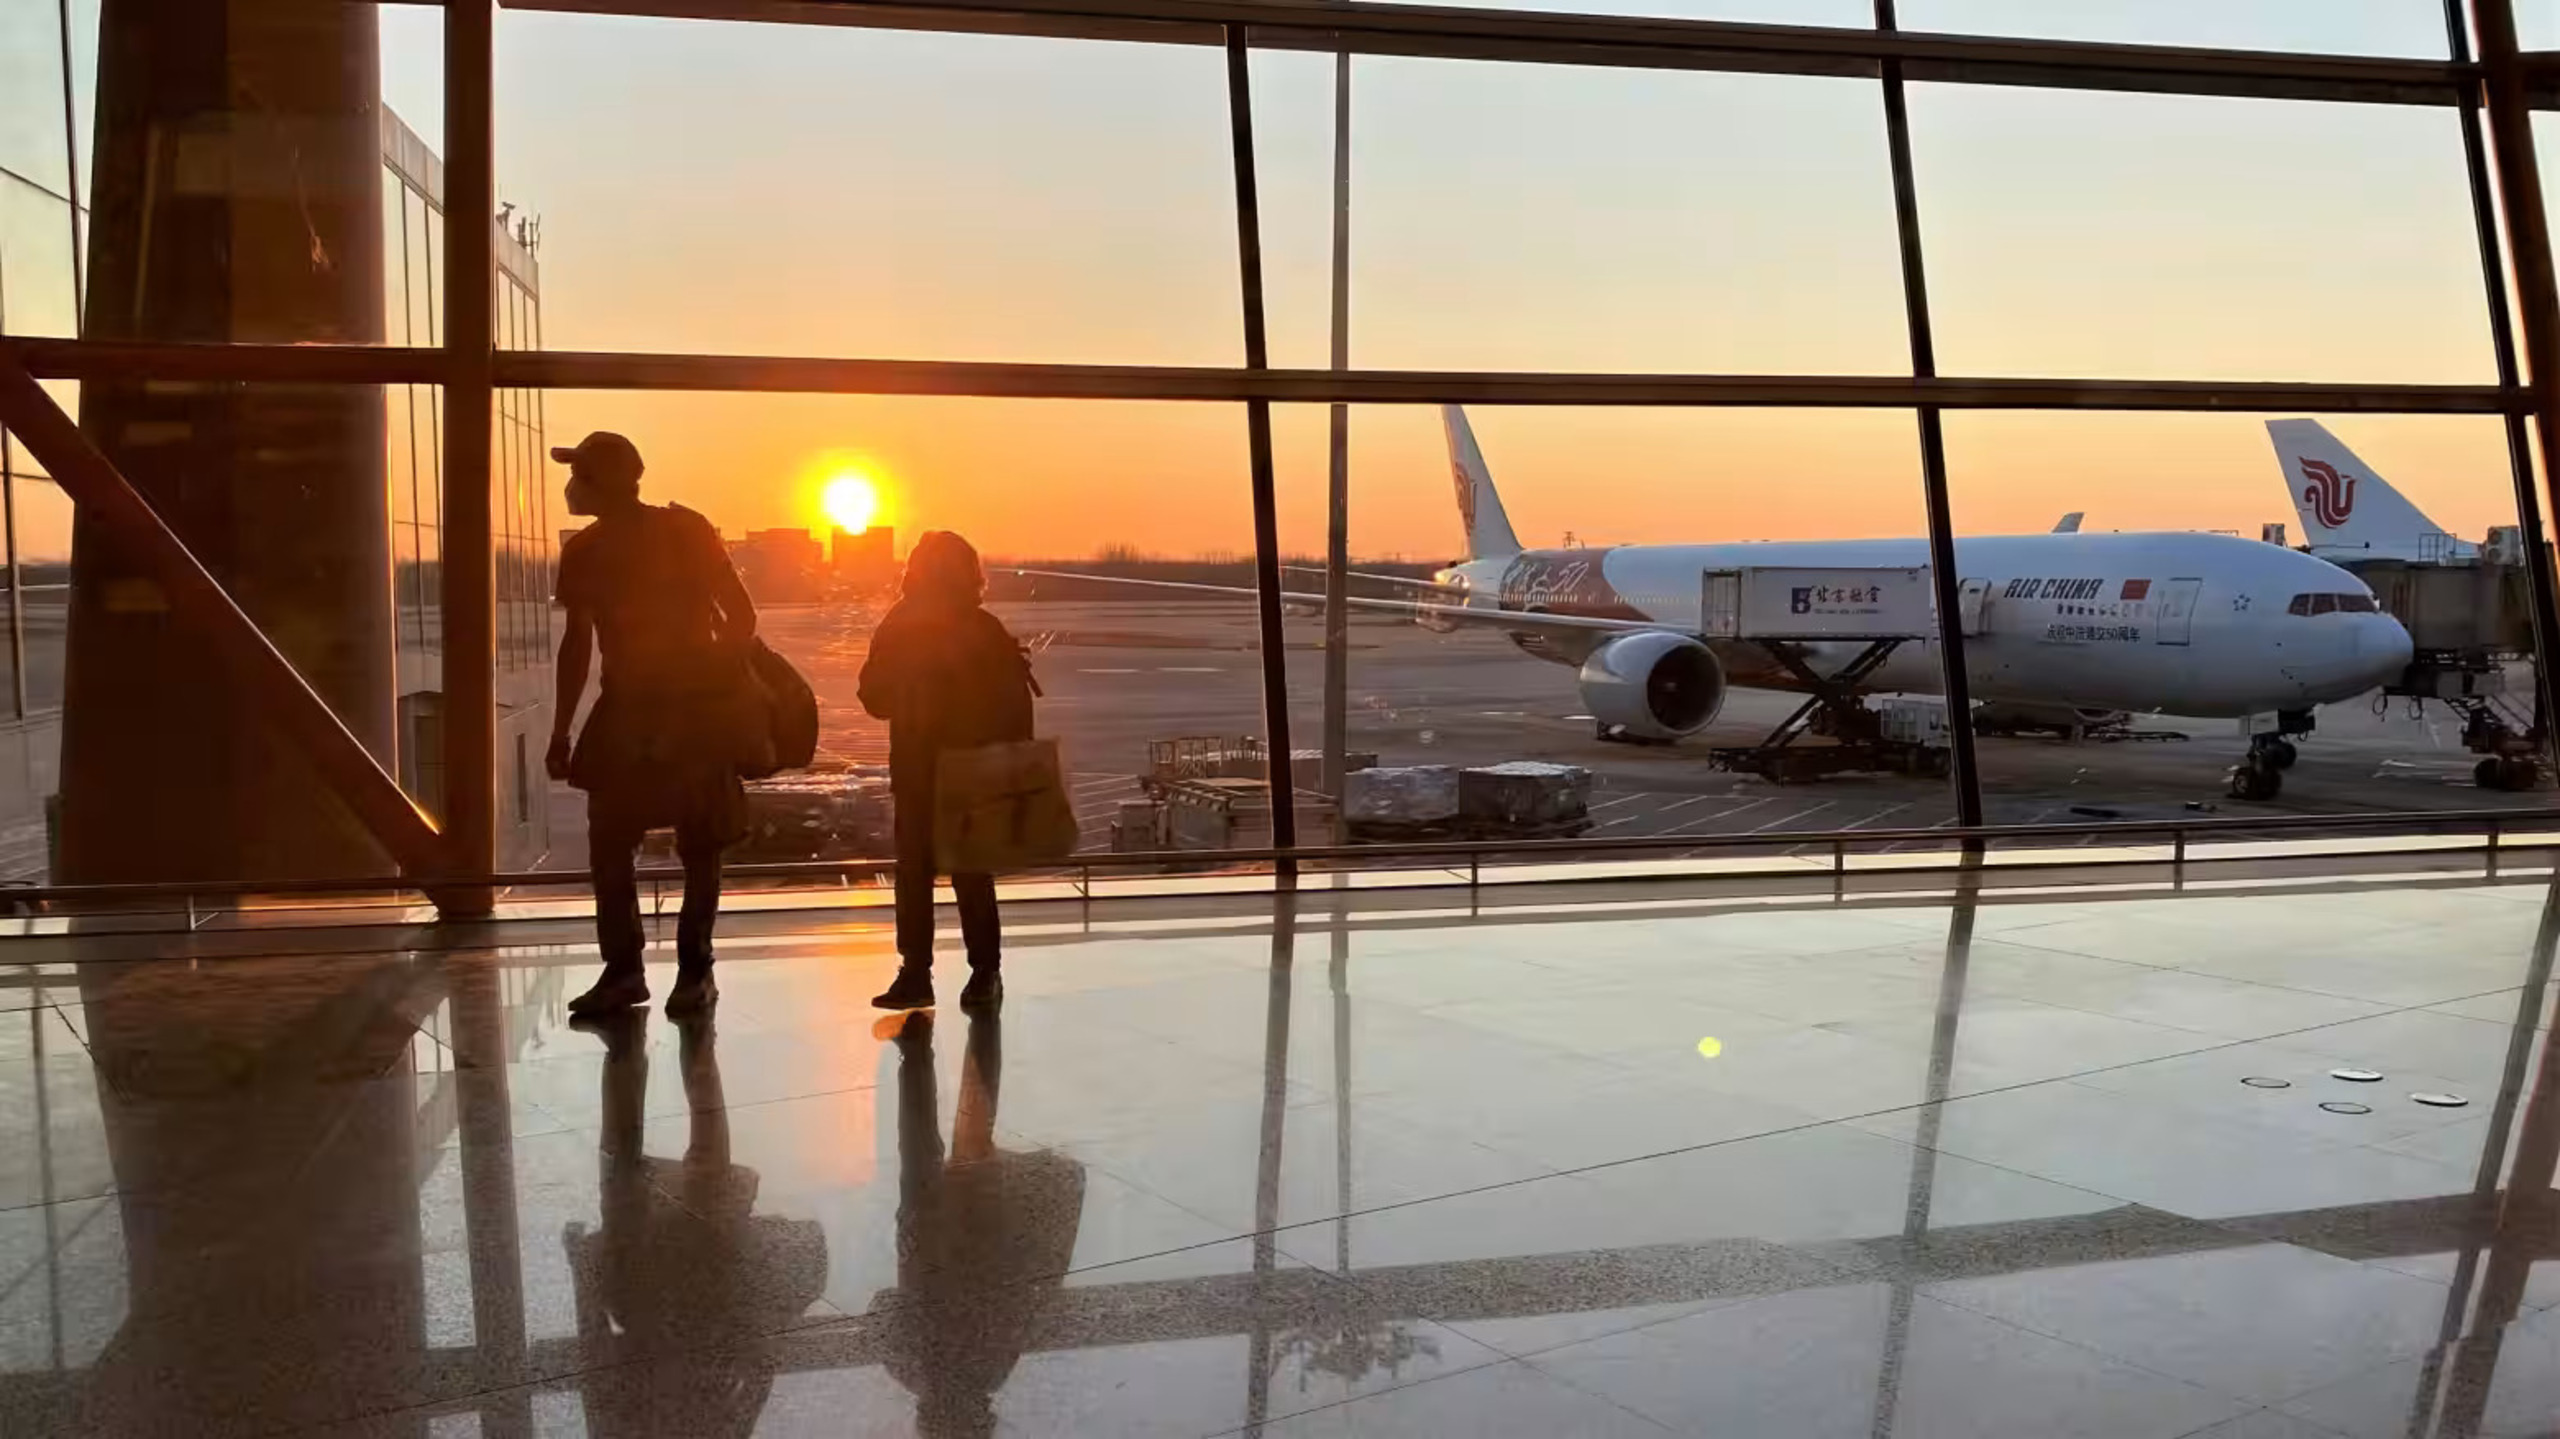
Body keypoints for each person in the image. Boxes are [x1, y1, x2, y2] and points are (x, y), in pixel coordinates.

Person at [547, 431, 758, 1017]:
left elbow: (577, 649)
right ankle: (694, 971)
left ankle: (624, 970)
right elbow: (742, 615)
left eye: (578, 473)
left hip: (626, 714)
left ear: (598, 483)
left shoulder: (585, 552)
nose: (569, 485)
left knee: (611, 842)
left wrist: (562, 730)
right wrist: (715, 678)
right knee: (701, 843)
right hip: (696, 712)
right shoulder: (689, 531)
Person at [875, 1008, 1083, 1436]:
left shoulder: (997, 1365)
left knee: (974, 1123)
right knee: (918, 1142)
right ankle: (916, 1052)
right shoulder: (912, 1371)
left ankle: (980, 1032)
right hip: (926, 1240)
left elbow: (1024, 1294)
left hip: (986, 1228)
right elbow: (884, 1306)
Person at [858, 531, 1034, 1011]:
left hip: (917, 767)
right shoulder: (985, 629)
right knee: (972, 874)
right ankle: (984, 973)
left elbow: (873, 697)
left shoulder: (900, 625)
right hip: (972, 771)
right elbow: (1013, 712)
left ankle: (916, 972)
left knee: (914, 874)